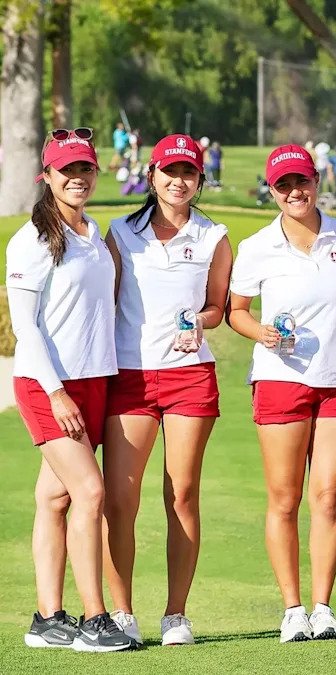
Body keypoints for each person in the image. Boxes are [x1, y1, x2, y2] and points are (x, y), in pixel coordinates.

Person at [226, 144, 336, 642]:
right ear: (272, 191)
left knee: (328, 497)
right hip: (280, 378)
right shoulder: (257, 246)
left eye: (301, 181)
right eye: (283, 185)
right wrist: (260, 332)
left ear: (317, 181)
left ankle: (323, 607)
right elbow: (236, 311)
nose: (294, 192)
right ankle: (292, 608)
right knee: (285, 499)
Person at [101, 134, 232, 646]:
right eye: (170, 171)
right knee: (120, 499)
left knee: (181, 493)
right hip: (130, 375)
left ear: (200, 179)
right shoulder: (120, 232)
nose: (179, 181)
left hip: (189, 376)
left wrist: (200, 320)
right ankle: (122, 613)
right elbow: (106, 299)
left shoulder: (213, 236)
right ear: (151, 175)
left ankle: (176, 614)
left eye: (189, 172)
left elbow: (217, 307)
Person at [7, 129, 134, 652]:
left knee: (54, 496)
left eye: (85, 169)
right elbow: (25, 327)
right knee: (90, 492)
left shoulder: (91, 231)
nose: (77, 178)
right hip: (48, 385)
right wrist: (56, 392)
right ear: (47, 176)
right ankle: (94, 619)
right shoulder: (32, 239)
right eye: (67, 171)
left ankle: (47, 619)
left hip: (93, 380)